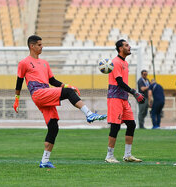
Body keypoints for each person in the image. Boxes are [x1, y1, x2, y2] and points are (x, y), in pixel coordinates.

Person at [13, 35, 107, 168]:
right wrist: (16, 99)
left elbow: (52, 81)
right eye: (39, 45)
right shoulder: (24, 62)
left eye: (42, 44)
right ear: (32, 46)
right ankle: (89, 114)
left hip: (46, 93)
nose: (42, 47)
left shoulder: (44, 63)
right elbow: (19, 81)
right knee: (68, 94)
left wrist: (68, 86)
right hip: (39, 94)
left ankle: (44, 161)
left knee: (53, 127)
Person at [105, 39, 145, 163]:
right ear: (120, 48)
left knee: (131, 124)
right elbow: (119, 82)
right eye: (127, 45)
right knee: (115, 126)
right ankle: (109, 156)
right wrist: (134, 92)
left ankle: (127, 155)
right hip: (115, 98)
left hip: (123, 98)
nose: (130, 47)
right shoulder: (115, 62)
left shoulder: (125, 63)